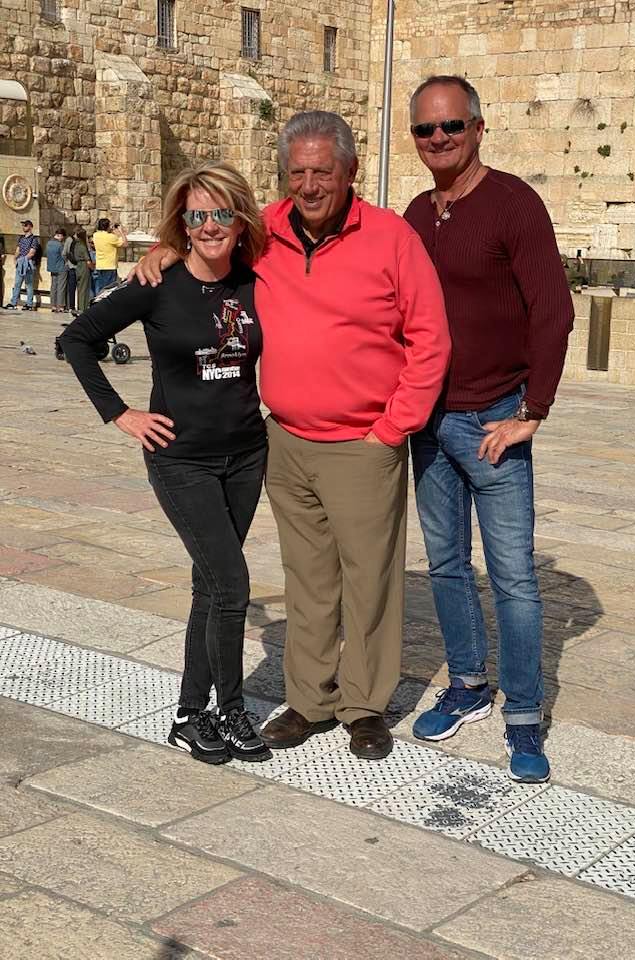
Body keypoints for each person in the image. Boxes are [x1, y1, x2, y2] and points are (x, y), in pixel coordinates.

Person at [134, 111, 451, 761]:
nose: (308, 185)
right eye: (297, 172)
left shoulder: (391, 239)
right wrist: (166, 248)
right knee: (308, 578)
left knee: (370, 578)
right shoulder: (266, 230)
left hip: (365, 441)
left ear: (350, 172)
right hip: (285, 441)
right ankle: (310, 701)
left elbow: (430, 339)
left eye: (322, 172)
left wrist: (393, 427)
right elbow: (207, 242)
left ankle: (364, 707)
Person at [59, 161, 271, 766]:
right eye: (195, 215)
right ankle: (229, 708)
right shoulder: (156, 284)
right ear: (182, 221)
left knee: (211, 584)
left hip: (246, 455)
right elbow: (77, 340)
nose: (209, 226)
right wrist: (120, 414)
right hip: (181, 460)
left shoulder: (256, 281)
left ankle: (188, 713)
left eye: (220, 213)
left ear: (238, 218)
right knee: (232, 584)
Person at [404, 75, 574, 783]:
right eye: (424, 130)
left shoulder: (514, 204)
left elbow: (554, 312)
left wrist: (532, 412)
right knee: (446, 566)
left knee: (514, 581)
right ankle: (470, 685)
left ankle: (526, 716)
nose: (438, 139)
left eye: (450, 126)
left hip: (495, 416)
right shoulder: (416, 213)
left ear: (478, 128)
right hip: (429, 421)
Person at [4, 219, 38, 310]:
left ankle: (29, 304)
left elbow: (32, 253)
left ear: (30, 226)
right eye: (23, 225)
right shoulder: (21, 238)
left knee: (29, 285)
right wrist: (15, 258)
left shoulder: (34, 239)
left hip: (28, 264)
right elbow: (18, 249)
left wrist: (23, 260)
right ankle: (13, 303)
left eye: (26, 225)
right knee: (17, 284)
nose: (24, 227)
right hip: (20, 263)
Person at [92, 217, 127, 294]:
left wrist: (110, 230)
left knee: (101, 287)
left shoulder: (95, 235)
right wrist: (121, 231)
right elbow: (125, 244)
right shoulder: (111, 237)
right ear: (107, 226)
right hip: (110, 265)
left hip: (100, 265)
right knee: (110, 289)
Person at [46, 227, 67, 312]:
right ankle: (60, 306)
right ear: (61, 235)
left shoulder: (49, 243)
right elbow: (64, 255)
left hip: (52, 267)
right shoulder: (60, 244)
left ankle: (53, 305)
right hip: (61, 267)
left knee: (53, 286)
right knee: (61, 287)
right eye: (63, 236)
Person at [71, 228, 92, 313]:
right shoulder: (83, 246)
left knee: (80, 288)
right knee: (84, 288)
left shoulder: (76, 244)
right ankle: (83, 308)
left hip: (78, 266)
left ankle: (80, 306)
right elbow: (88, 260)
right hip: (84, 267)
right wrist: (92, 267)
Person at [61, 230, 77, 311]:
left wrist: (67, 262)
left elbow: (64, 253)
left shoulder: (69, 240)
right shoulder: (83, 239)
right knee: (82, 288)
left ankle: (71, 306)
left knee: (71, 288)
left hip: (71, 267)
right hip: (81, 267)